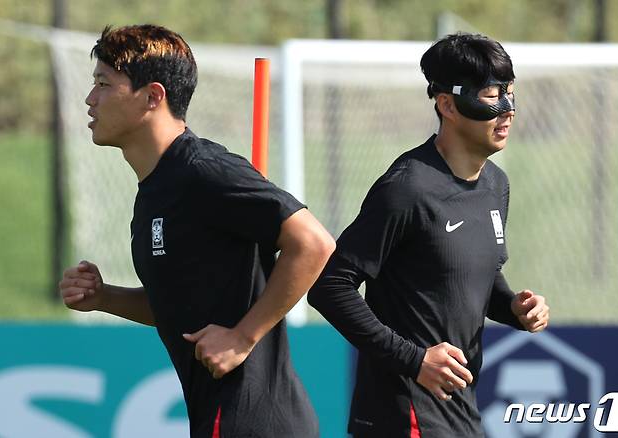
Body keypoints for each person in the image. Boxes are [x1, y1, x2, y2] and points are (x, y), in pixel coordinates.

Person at [59, 24, 335, 438]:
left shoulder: (204, 171)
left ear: (153, 97)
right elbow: (183, 309)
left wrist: (243, 336)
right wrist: (105, 297)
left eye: (104, 84)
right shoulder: (157, 188)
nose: (90, 98)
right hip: (222, 419)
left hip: (250, 421)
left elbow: (313, 243)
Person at [307, 33, 550, 438]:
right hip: (404, 415)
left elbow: (472, 279)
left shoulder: (496, 185)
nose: (507, 111)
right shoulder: (407, 188)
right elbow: (330, 285)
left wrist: (515, 309)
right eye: (492, 97)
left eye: (510, 93)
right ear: (448, 105)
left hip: (459, 411)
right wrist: (414, 359)